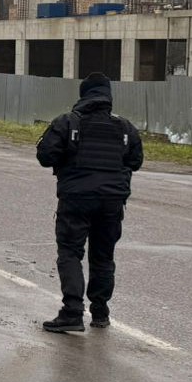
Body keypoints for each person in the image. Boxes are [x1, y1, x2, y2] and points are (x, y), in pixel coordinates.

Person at [36, 72, 143, 333]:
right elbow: (136, 162)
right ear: (108, 97)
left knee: (71, 252)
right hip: (111, 202)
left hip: (76, 199)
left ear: (83, 95)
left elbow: (45, 155)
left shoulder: (68, 122)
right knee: (103, 256)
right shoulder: (125, 128)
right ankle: (100, 312)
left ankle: (72, 311)